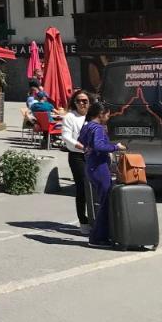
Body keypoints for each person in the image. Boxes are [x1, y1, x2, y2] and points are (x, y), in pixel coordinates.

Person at [80, 99, 126, 246]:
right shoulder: (98, 128)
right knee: (105, 202)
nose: (108, 118)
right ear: (101, 114)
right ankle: (98, 237)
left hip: (91, 166)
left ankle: (100, 236)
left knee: (103, 200)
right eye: (107, 115)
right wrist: (115, 147)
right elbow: (99, 145)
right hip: (99, 167)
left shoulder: (87, 126)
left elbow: (82, 141)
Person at [61, 90, 91, 234]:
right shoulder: (70, 117)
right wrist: (80, 146)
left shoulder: (93, 116)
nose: (82, 103)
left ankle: (95, 217)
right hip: (77, 156)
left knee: (96, 186)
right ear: (74, 102)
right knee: (82, 187)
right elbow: (66, 137)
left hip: (93, 155)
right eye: (79, 100)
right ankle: (83, 221)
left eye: (85, 101)